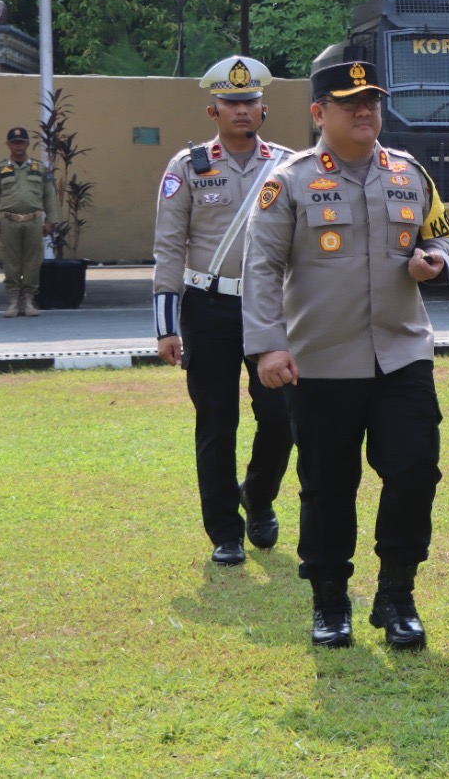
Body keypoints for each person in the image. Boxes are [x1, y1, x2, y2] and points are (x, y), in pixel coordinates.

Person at [243, 59, 449, 651]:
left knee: (415, 469)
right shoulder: (289, 181)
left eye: (372, 101)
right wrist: (267, 346)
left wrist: (434, 261)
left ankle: (397, 594)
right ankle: (330, 600)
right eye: (349, 102)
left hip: (403, 353)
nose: (365, 112)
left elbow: (438, 235)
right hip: (321, 361)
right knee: (328, 483)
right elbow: (260, 268)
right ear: (318, 113)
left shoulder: (410, 173)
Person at [152, 55, 294, 567]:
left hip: (269, 307)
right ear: (213, 110)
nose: (241, 109)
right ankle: (224, 531)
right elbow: (168, 247)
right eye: (231, 102)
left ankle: (257, 496)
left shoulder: (287, 164)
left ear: (264, 108)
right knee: (216, 420)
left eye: (249, 101)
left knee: (280, 418)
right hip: (207, 306)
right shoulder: (186, 167)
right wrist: (167, 326)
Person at [0, 126, 59, 318]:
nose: (18, 146)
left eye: (21, 142)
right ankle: (13, 300)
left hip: (34, 221)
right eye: (14, 142)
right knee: (11, 262)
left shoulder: (39, 168)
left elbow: (50, 195)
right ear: (8, 144)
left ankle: (28, 300)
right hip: (8, 222)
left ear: (27, 143)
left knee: (32, 262)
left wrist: (51, 220)